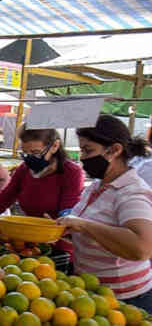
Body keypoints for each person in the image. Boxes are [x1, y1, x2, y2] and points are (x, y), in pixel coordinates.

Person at [57, 115, 152, 309]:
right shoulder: (97, 185)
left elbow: (142, 248)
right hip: (90, 290)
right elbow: (93, 232)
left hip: (123, 299)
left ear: (115, 150)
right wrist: (66, 229)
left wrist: (83, 224)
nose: (82, 157)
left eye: (88, 150)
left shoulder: (132, 191)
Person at [0, 125, 84, 253]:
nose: (30, 158)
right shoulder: (24, 170)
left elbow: (68, 214)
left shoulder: (71, 172)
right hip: (28, 246)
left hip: (59, 247)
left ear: (54, 146)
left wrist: (59, 223)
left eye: (36, 153)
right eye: (25, 153)